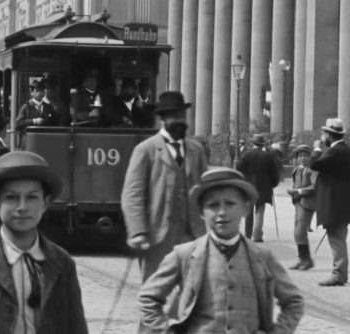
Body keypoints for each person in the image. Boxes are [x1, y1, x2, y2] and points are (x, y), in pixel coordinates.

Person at [137, 168, 304, 334]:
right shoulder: (184, 254)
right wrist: (165, 330)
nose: (222, 213)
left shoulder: (262, 256)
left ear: (245, 208)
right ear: (202, 212)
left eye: (230, 204)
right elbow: (148, 298)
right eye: (213, 205)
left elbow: (293, 301)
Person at [0, 151, 89, 333]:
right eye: (11, 198)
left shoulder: (61, 262)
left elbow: (76, 326)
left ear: (45, 203)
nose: (22, 207)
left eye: (32, 197)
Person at [121, 91, 209, 284]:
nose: (180, 121)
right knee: (155, 291)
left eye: (182, 116)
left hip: (191, 235)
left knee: (192, 290)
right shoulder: (145, 150)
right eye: (174, 117)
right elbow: (132, 195)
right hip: (157, 236)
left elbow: (207, 190)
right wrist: (138, 232)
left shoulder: (196, 150)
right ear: (162, 119)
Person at [310, 118, 350, 287]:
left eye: (324, 134)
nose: (322, 136)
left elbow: (314, 164)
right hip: (345, 203)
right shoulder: (348, 152)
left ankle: (338, 274)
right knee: (340, 238)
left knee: (336, 239)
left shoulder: (333, 152)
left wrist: (316, 148)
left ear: (329, 135)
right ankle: (341, 273)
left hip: (334, 203)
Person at [235, 133, 281, 242]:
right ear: (262, 144)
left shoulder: (246, 154)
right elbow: (274, 173)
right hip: (264, 187)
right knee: (260, 210)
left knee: (249, 212)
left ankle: (247, 235)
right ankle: (257, 235)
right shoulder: (268, 156)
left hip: (249, 186)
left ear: (252, 143)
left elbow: (238, 167)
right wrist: (273, 184)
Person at [287, 144, 317, 270]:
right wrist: (293, 189)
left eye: (305, 156)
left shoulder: (313, 170)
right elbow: (296, 183)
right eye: (300, 156)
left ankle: (307, 260)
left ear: (310, 157)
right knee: (297, 231)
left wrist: (298, 191)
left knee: (300, 231)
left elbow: (314, 187)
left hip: (307, 203)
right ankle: (301, 258)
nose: (303, 158)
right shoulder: (296, 170)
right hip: (298, 203)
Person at [15, 80, 58, 146]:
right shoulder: (26, 107)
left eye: (42, 91)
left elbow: (55, 123)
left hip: (46, 141)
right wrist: (34, 121)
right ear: (32, 93)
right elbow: (18, 123)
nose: (40, 93)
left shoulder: (49, 107)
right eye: (37, 91)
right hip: (29, 142)